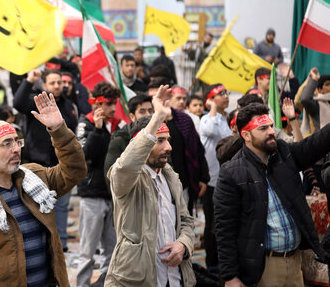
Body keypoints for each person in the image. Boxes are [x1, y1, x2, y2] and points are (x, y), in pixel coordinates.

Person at [0, 91, 87, 286]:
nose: (15, 149)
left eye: (17, 141)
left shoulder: (36, 178)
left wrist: (58, 129)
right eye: (6, 143)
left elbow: (75, 170)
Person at [214, 103, 330, 287]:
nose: (271, 131)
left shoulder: (283, 153)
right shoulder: (232, 173)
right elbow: (224, 229)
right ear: (246, 135)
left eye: (270, 126)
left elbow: (315, 144)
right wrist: (230, 276)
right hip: (264, 267)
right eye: (263, 128)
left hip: (294, 262)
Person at [106, 85, 196, 286]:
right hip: (138, 279)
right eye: (160, 141)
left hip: (175, 278)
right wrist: (157, 118)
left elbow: (186, 221)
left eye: (168, 140)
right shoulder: (126, 179)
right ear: (142, 143)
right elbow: (125, 166)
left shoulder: (170, 177)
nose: (168, 147)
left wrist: (183, 245)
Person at [13, 68, 78, 251]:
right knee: (38, 206)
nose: (57, 86)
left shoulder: (68, 105)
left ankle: (61, 245)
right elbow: (18, 103)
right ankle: (40, 245)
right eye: (53, 83)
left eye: (60, 83)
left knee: (62, 206)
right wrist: (29, 80)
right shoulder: (36, 102)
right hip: (38, 164)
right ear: (44, 85)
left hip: (60, 164)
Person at [75, 82, 121, 287]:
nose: (113, 108)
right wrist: (98, 130)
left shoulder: (116, 124)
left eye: (115, 103)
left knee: (113, 251)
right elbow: (85, 155)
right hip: (92, 195)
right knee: (87, 251)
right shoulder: (85, 123)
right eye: (109, 104)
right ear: (98, 104)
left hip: (112, 194)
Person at [199, 83, 232, 275]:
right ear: (210, 99)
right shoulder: (206, 119)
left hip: (225, 179)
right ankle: (212, 265)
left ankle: (223, 262)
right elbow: (210, 130)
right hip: (212, 181)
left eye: (226, 93)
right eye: (220, 94)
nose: (226, 97)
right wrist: (211, 107)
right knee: (211, 224)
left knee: (223, 222)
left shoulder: (224, 118)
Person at [103, 93, 154, 188]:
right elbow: (111, 179)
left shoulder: (159, 136)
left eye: (150, 111)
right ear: (132, 116)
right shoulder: (120, 140)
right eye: (142, 111)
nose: (148, 115)